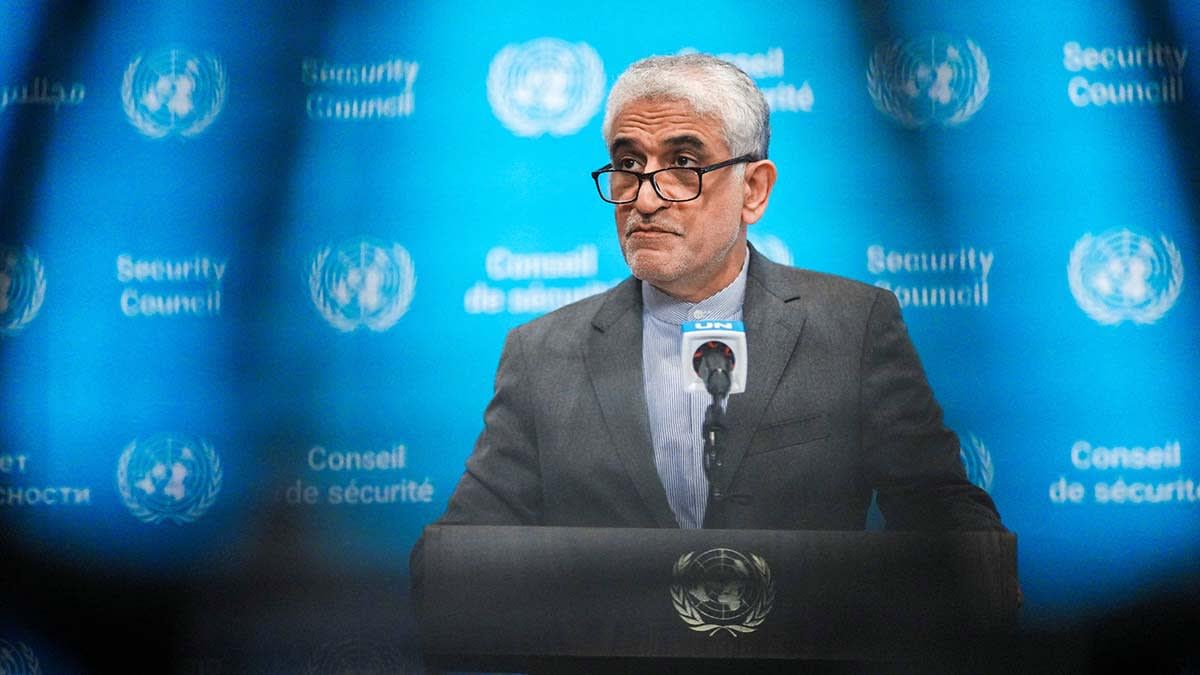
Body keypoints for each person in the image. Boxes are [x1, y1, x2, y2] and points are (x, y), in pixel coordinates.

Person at [426, 53, 1003, 534]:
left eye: (683, 163)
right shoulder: (540, 355)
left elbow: (946, 518)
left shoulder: (854, 328)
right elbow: (464, 551)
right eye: (628, 163)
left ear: (754, 190)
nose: (643, 199)